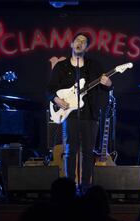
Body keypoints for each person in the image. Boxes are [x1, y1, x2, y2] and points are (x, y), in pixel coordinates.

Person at [47, 33, 112, 191]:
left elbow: (106, 86)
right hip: (69, 115)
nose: (80, 43)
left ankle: (85, 187)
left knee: (88, 152)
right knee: (70, 151)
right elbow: (50, 89)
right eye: (77, 40)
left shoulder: (94, 66)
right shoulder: (62, 67)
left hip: (90, 114)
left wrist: (108, 83)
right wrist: (57, 100)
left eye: (83, 42)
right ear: (71, 44)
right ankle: (69, 187)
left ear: (86, 47)